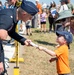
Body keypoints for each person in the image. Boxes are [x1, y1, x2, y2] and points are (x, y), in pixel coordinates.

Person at [0, 0, 38, 75]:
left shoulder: (14, 15)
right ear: (24, 14)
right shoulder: (7, 18)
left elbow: (11, 31)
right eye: (30, 17)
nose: (30, 19)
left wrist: (23, 40)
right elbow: (1, 35)